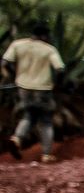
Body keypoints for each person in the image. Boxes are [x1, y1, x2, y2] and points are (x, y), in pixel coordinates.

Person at [4, 22, 67, 163]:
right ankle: (46, 154)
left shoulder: (17, 44)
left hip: (23, 88)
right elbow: (60, 69)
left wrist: (14, 76)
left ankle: (17, 139)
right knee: (46, 121)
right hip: (43, 89)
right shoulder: (49, 49)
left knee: (29, 115)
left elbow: (5, 62)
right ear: (44, 36)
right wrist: (58, 84)